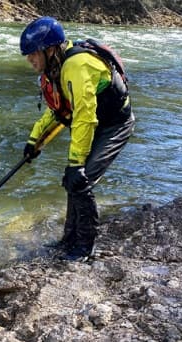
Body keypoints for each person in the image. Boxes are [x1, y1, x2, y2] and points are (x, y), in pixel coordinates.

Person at [20, 16, 135, 261]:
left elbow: (84, 117)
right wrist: (34, 142)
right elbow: (59, 112)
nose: (29, 60)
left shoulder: (76, 66)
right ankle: (68, 239)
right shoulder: (54, 70)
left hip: (115, 125)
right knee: (71, 180)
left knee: (82, 180)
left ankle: (84, 246)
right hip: (97, 123)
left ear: (50, 50)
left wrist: (76, 163)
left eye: (32, 54)